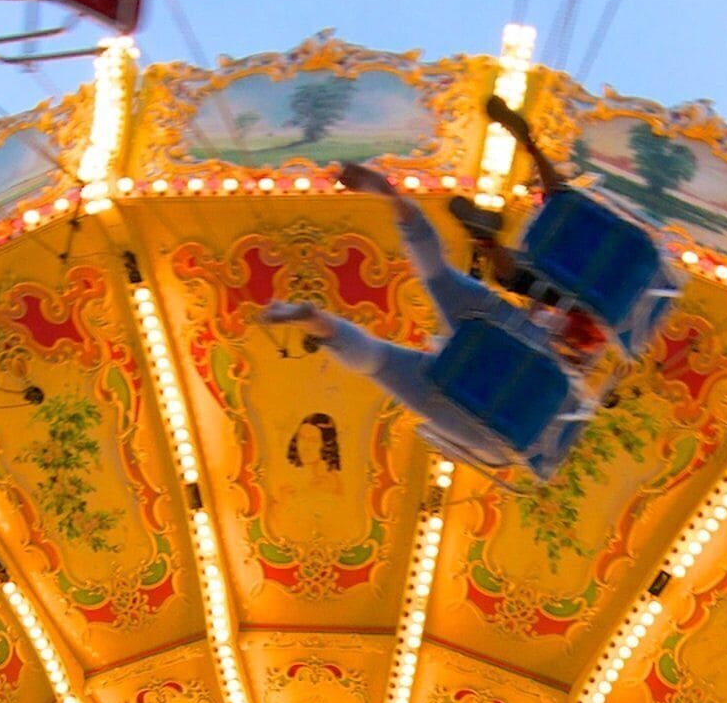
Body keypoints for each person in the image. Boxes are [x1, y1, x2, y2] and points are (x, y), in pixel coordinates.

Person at [255, 156, 616, 480]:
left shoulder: (563, 386)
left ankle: (392, 199)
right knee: (377, 362)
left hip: (512, 346)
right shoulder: (510, 449)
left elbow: (559, 339)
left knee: (437, 275)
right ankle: (317, 322)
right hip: (480, 414)